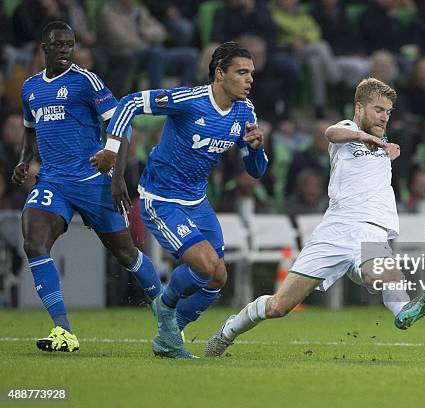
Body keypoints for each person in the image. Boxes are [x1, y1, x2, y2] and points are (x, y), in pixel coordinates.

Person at [204, 78, 425, 358]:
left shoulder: (381, 144)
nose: (384, 117)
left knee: (377, 270)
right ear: (359, 107)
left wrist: (388, 152)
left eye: (388, 112)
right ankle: (228, 331)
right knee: (279, 306)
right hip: (334, 231)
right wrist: (363, 137)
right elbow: (330, 132)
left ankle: (403, 310)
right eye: (378, 109)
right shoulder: (349, 131)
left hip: (371, 229)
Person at [91, 41, 269, 359]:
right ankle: (165, 306)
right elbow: (129, 103)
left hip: (196, 201)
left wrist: (256, 148)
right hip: (161, 198)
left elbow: (255, 171)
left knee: (217, 277)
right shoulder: (190, 100)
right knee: (204, 266)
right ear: (219, 74)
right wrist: (112, 149)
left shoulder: (245, 111)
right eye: (242, 72)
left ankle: (171, 334)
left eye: (251, 73)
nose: (249, 79)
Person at [12, 21, 162, 353]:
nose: (66, 50)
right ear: (44, 48)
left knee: (126, 253)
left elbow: (120, 124)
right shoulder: (30, 88)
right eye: (59, 44)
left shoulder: (85, 82)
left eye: (70, 44)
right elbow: (30, 129)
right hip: (53, 180)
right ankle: (63, 330)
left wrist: (119, 177)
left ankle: (168, 320)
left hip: (93, 179)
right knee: (34, 243)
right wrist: (24, 159)